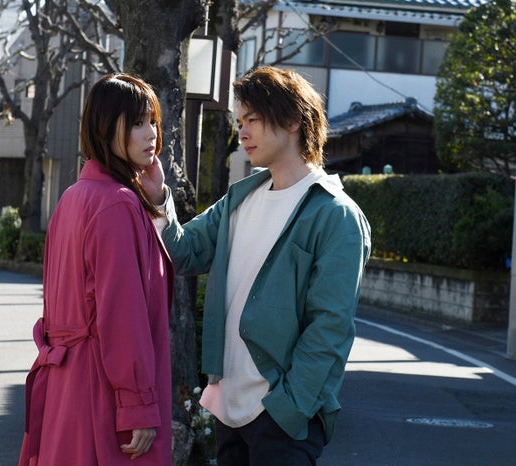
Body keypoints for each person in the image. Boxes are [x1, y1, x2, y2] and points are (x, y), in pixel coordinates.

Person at [141, 66, 371, 465]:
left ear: (293, 120)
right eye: (239, 123)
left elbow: (330, 327)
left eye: (253, 120)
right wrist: (158, 197)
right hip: (230, 411)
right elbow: (185, 251)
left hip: (282, 418)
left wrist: (290, 407)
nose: (243, 133)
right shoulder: (240, 198)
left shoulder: (335, 215)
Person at [18, 73, 173, 466]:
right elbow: (122, 316)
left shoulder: (73, 197)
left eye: (153, 121)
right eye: (136, 123)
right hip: (102, 394)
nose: (151, 134)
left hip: (66, 389)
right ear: (105, 127)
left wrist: (153, 199)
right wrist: (137, 405)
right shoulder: (117, 204)